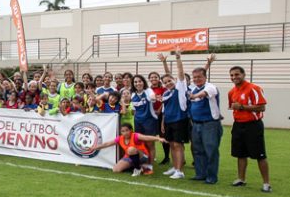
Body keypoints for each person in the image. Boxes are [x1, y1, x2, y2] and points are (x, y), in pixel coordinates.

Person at [228, 66, 271, 192]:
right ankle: (241, 179)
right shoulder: (231, 92)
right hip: (238, 125)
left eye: (237, 74)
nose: (234, 77)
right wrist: (239, 108)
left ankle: (266, 183)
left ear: (243, 74)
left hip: (253, 125)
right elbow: (233, 107)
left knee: (260, 155)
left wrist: (242, 107)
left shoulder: (254, 88)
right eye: (231, 75)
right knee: (240, 154)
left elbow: (262, 107)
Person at [187, 61, 223, 185]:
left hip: (210, 124)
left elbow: (203, 94)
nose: (197, 79)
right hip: (196, 124)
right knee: (197, 150)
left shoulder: (210, 87)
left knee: (211, 150)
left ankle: (212, 176)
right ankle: (200, 174)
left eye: (199, 77)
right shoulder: (192, 88)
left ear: (205, 77)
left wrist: (193, 96)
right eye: (195, 77)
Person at [158, 49, 190, 179]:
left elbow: (180, 73)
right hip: (169, 121)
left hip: (180, 120)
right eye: (165, 82)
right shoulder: (166, 93)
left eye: (169, 80)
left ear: (174, 80)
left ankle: (180, 170)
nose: (167, 83)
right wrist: (163, 122)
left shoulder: (180, 87)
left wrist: (178, 58)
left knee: (178, 145)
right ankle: (175, 166)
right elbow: (165, 109)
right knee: (171, 144)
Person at [89, 123, 167, 176]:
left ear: (131, 130)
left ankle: (138, 169)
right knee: (116, 170)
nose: (125, 133)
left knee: (131, 149)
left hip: (143, 156)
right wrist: (94, 147)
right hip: (130, 156)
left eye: (127, 130)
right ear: (121, 132)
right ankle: (139, 167)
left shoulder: (135, 136)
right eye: (123, 131)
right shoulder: (120, 138)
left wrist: (158, 138)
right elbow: (107, 144)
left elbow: (146, 137)